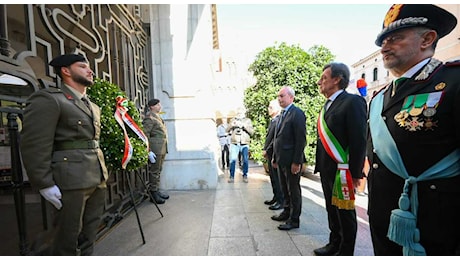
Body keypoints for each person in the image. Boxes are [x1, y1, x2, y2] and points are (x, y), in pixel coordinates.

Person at [367, 4, 460, 256]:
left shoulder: (453, 81)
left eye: (395, 38)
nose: (385, 47)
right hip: (384, 219)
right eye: (383, 40)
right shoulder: (379, 98)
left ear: (427, 39)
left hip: (435, 225)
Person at [20, 54, 109, 255]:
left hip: (97, 176)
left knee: (90, 232)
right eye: (82, 66)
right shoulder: (50, 99)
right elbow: (34, 144)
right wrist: (44, 182)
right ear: (66, 71)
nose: (90, 70)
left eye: (89, 67)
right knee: (66, 237)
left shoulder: (92, 105)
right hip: (71, 180)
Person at [313, 62, 367, 256]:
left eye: (324, 78)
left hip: (343, 171)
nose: (320, 82)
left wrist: (355, 173)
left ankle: (345, 251)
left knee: (345, 214)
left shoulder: (353, 101)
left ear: (337, 79)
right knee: (331, 209)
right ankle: (333, 242)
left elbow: (359, 140)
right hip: (327, 169)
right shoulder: (327, 105)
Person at [271, 86, 306, 231]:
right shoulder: (282, 115)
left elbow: (300, 139)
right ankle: (286, 212)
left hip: (292, 161)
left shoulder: (296, 113)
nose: (279, 99)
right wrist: (274, 158)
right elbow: (277, 139)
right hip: (281, 160)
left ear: (291, 97)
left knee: (293, 191)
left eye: (282, 96)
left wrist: (297, 162)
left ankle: (294, 219)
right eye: (278, 96)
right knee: (285, 189)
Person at [143, 98, 169, 204]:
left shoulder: (157, 117)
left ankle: (156, 190)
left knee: (158, 170)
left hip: (161, 148)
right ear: (152, 107)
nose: (160, 106)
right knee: (154, 171)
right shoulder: (149, 118)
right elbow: (145, 134)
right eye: (157, 105)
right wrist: (148, 150)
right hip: (155, 149)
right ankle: (153, 193)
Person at [262, 99, 284, 210]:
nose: (268, 109)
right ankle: (276, 197)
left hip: (275, 154)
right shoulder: (273, 120)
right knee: (273, 178)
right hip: (270, 154)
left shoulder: (279, 120)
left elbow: (275, 140)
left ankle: (281, 201)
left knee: (277, 178)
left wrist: (267, 150)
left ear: (277, 108)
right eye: (269, 107)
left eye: (271, 107)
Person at [226, 107, 254, 183]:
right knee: (232, 160)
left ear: (244, 112)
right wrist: (232, 125)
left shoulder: (248, 120)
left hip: (244, 143)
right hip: (234, 143)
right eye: (238, 112)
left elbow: (252, 132)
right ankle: (231, 176)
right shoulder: (233, 120)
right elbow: (227, 130)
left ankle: (245, 175)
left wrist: (244, 126)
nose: (239, 113)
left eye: (241, 112)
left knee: (245, 160)